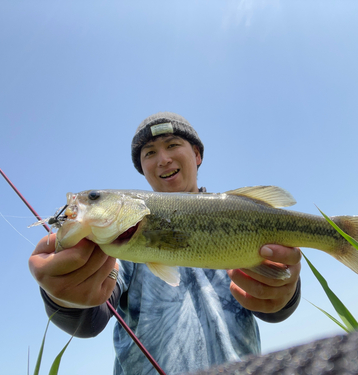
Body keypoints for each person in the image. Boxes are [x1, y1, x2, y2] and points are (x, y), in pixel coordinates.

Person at [29, 112, 302, 375]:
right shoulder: (116, 243)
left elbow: (273, 303)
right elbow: (91, 319)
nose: (163, 159)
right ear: (143, 170)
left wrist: (283, 293)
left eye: (173, 145)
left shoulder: (241, 216)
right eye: (149, 153)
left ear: (197, 154)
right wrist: (63, 297)